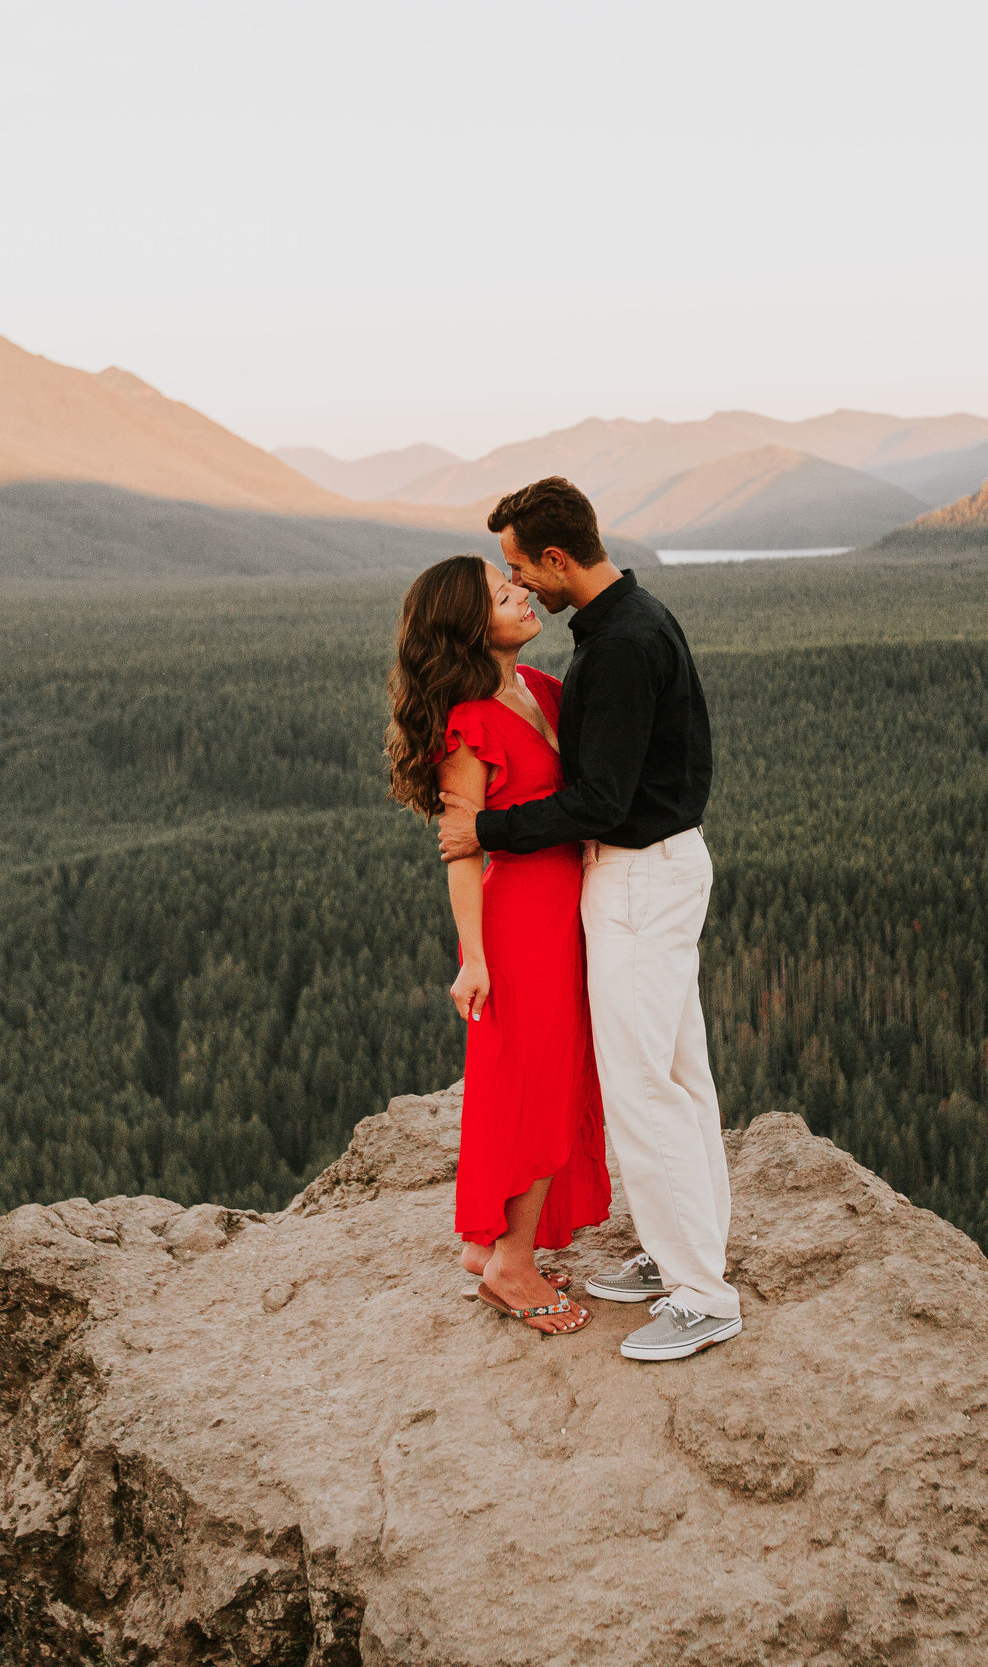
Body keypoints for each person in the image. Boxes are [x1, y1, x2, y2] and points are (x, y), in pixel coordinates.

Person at [436, 477, 739, 1363]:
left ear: (559, 559)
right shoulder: (637, 618)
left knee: (645, 1086)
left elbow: (599, 800)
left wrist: (487, 828)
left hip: (640, 879)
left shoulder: (610, 652)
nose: (521, 583)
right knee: (679, 1074)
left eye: (521, 567)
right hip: (661, 868)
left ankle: (700, 1291)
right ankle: (684, 1251)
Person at [386, 553, 610, 1335]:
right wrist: (473, 957)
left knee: (539, 1077)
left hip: (561, 913)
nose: (521, 593)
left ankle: (488, 1247)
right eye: (500, 591)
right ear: (467, 625)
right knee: (535, 1086)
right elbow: (460, 847)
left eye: (512, 580)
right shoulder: (468, 724)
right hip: (518, 922)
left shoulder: (540, 690)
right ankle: (512, 1267)